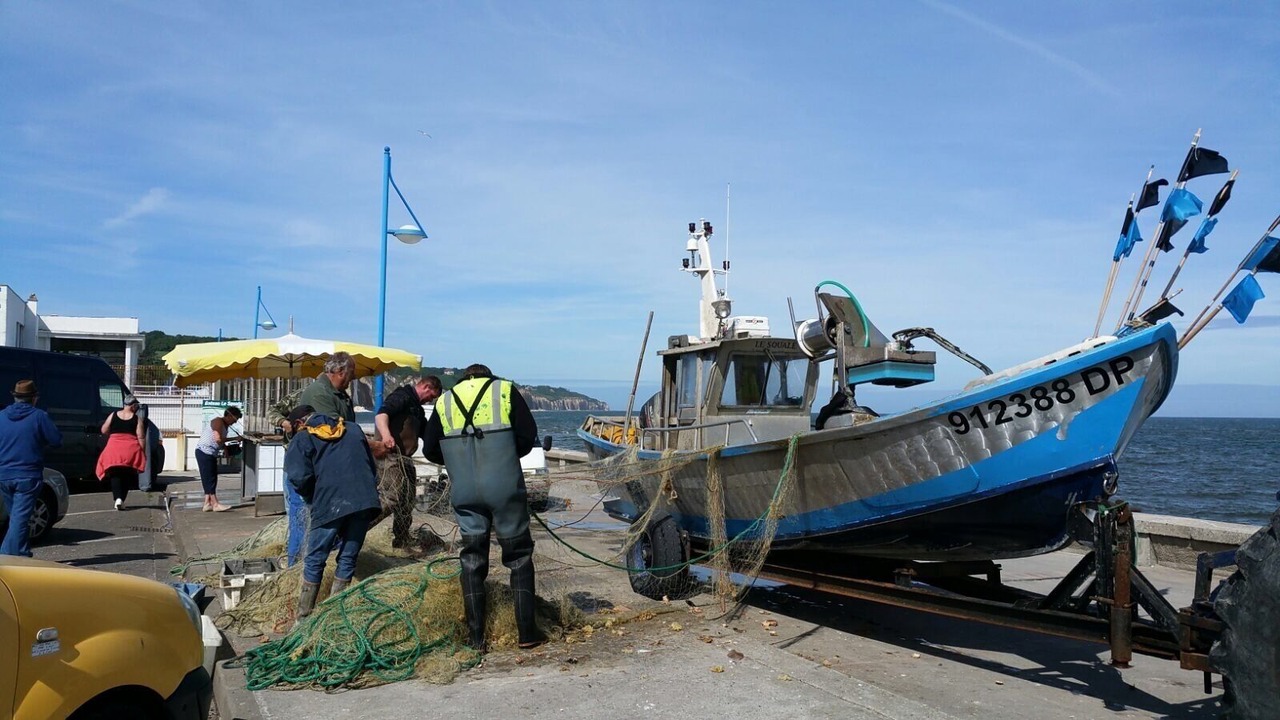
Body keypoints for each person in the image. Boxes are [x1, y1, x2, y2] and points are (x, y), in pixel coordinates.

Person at [422, 363, 541, 650]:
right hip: (504, 487)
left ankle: (476, 639)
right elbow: (527, 436)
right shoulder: (504, 390)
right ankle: (527, 632)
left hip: (464, 489)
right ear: (487, 375)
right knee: (519, 556)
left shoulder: (445, 400)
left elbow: (430, 449)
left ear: (465, 378)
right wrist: (504, 454)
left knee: (472, 559)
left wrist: (458, 459)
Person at [284, 405, 380, 625]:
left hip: (329, 503)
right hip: (364, 500)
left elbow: (298, 477)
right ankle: (334, 616)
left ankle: (304, 618)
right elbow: (370, 466)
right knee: (348, 557)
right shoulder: (353, 429)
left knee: (315, 559)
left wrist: (312, 498)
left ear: (299, 423)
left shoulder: (303, 438)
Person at [372, 375, 442, 547]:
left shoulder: (417, 408)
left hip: (406, 459)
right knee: (392, 498)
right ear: (426, 387)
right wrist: (386, 436)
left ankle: (402, 539)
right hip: (390, 456)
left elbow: (427, 435)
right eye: (431, 396)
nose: (429, 401)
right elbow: (381, 415)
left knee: (407, 501)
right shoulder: (402, 396)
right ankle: (356, 531)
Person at [0, 380, 62, 556]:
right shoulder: (39, 416)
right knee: (20, 519)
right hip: (27, 474)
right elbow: (56, 440)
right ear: (34, 398)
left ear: (15, 396)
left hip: (4, 474)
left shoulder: (2, 416)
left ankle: (22, 552)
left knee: (16, 517)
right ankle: (9, 555)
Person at [95, 394, 147, 510]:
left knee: (115, 474)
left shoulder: (113, 415)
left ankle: (118, 498)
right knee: (127, 475)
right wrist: (142, 452)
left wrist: (113, 434)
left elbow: (104, 430)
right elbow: (141, 437)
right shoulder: (136, 419)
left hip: (113, 449)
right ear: (133, 406)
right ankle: (121, 499)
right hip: (130, 451)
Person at [277, 404, 314, 567]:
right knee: (300, 520)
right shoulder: (301, 440)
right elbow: (298, 477)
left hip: (303, 481)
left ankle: (297, 562)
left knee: (300, 522)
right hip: (301, 483)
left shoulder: (305, 436)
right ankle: (295, 564)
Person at [195, 406, 242, 512]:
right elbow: (218, 439)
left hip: (209, 453)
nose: (234, 422)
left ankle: (207, 503)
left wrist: (225, 449)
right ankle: (215, 504)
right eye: (235, 419)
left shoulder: (225, 425)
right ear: (229, 416)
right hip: (205, 452)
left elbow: (220, 441)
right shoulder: (218, 421)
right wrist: (235, 438)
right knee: (210, 478)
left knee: (209, 477)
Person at [298, 352, 357, 423]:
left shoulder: (339, 393)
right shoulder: (320, 393)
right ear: (340, 372)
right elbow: (333, 426)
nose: (354, 377)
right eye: (351, 372)